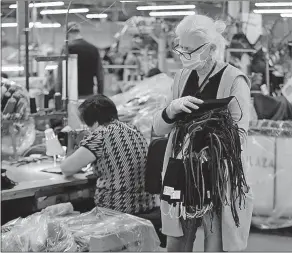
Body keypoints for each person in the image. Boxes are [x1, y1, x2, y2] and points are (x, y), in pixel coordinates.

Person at [153, 14, 252, 252]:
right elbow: (158, 127)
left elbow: (240, 134)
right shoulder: (180, 78)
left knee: (215, 240)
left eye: (190, 50)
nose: (184, 56)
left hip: (218, 176)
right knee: (177, 241)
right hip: (181, 173)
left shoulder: (233, 79)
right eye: (181, 49)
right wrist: (171, 109)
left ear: (211, 48)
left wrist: (211, 149)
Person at [60, 94, 157, 214]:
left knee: (67, 209)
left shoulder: (100, 134)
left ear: (94, 122)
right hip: (146, 206)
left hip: (116, 208)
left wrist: (71, 142)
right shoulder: (133, 129)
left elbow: (66, 169)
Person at [56, 22, 104, 98]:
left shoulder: (67, 48)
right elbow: (100, 75)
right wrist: (100, 94)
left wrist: (58, 94)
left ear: (67, 34)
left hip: (70, 95)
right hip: (88, 94)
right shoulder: (93, 49)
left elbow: (60, 74)